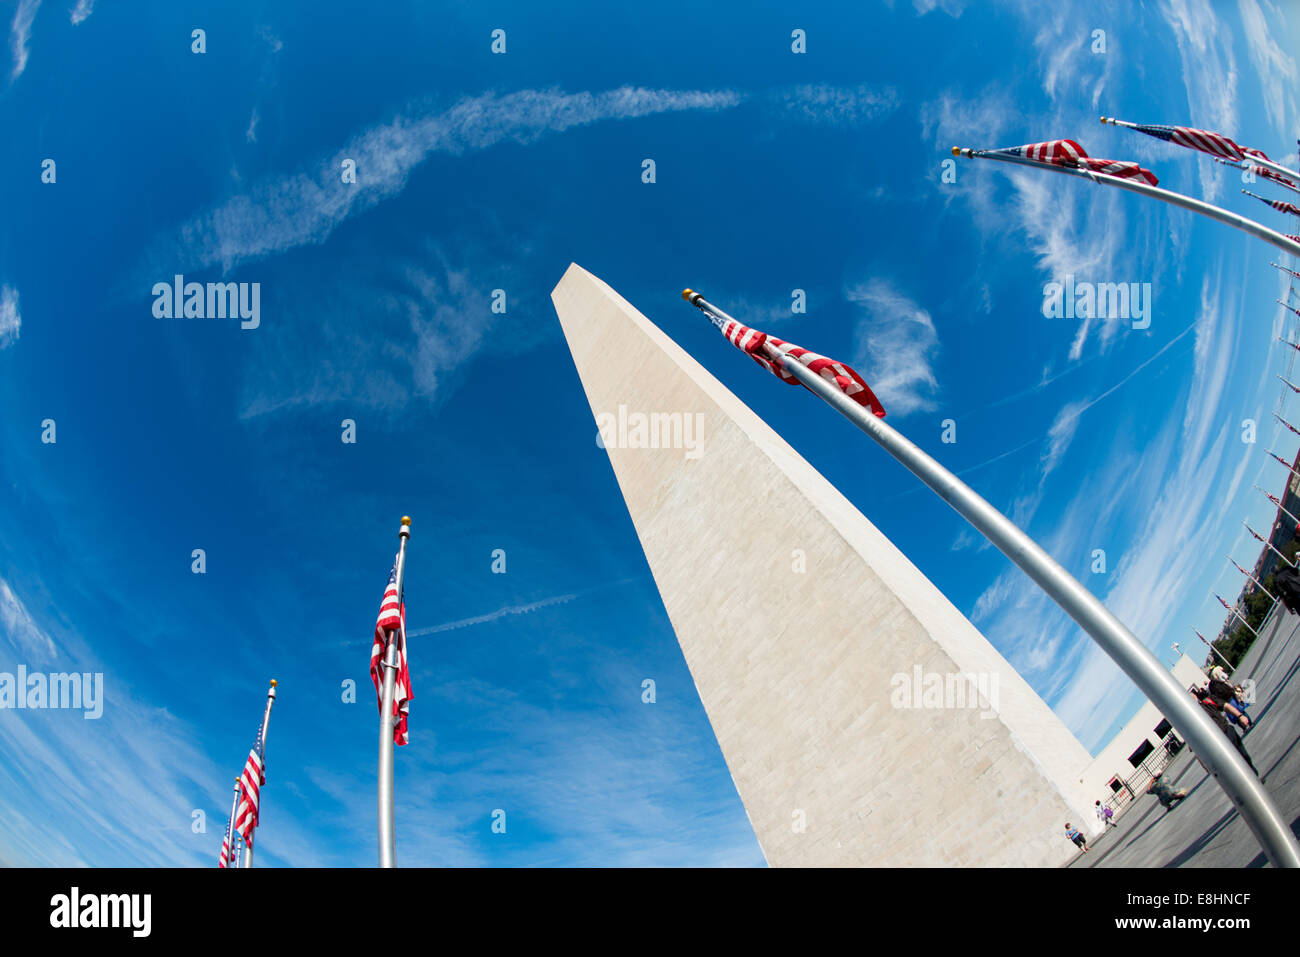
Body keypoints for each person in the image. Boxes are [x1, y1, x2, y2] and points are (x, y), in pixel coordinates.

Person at [1191, 685, 1258, 775]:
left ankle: (1254, 777)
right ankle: (1250, 780)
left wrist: (1240, 716)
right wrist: (1205, 764)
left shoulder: (1208, 701)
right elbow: (1193, 744)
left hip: (1228, 733)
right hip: (1216, 745)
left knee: (1244, 757)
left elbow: (1226, 706)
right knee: (1234, 766)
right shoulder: (1190, 720)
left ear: (1196, 697)